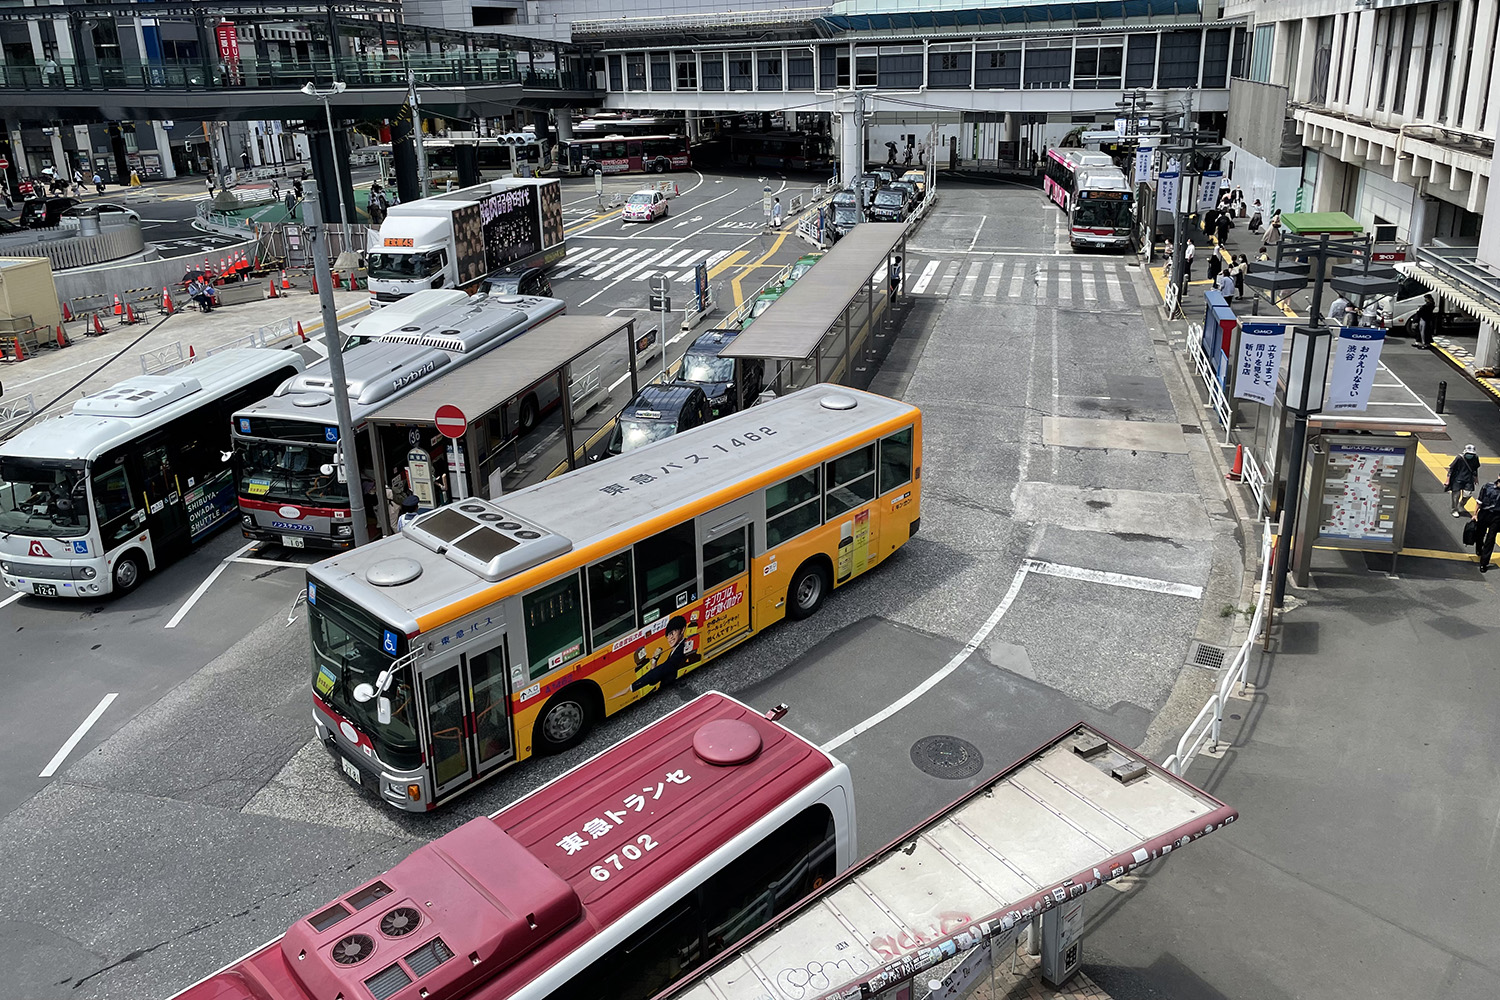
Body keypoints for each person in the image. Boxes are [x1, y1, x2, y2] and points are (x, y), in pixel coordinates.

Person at [618, 615, 702, 695]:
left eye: (673, 633)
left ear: (683, 630)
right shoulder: (675, 650)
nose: (670, 638)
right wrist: (654, 661)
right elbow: (657, 676)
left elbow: (661, 671)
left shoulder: (681, 649)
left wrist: (632, 687)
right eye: (668, 635)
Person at [1473, 474, 1500, 572]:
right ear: (1498, 477)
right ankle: (1479, 548)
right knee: (1479, 534)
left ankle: (1484, 563)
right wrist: (1475, 514)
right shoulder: (1487, 487)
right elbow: (1479, 501)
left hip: (1497, 516)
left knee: (1491, 538)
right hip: (1484, 513)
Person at [1446, 445, 1482, 518]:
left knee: (1467, 494)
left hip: (1468, 479)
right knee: (1456, 496)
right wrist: (1448, 479)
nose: (1470, 455)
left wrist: (1476, 477)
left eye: (1472, 454)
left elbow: (1475, 468)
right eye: (1469, 454)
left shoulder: (1475, 458)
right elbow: (1451, 468)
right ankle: (1454, 509)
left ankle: (1461, 505)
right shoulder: (1459, 458)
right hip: (1457, 479)